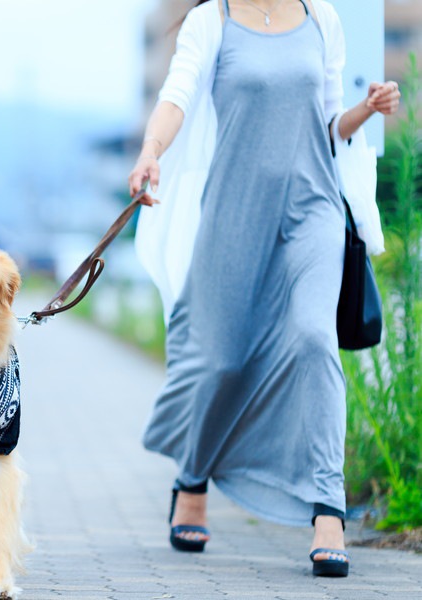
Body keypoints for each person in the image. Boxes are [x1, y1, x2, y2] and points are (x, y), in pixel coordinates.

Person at [127, 0, 401, 578]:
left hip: (313, 210)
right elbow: (176, 97)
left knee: (312, 339)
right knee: (220, 361)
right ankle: (192, 478)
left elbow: (329, 125)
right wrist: (151, 151)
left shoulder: (320, 17)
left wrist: (364, 110)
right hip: (233, 214)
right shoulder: (212, 21)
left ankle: (328, 509)